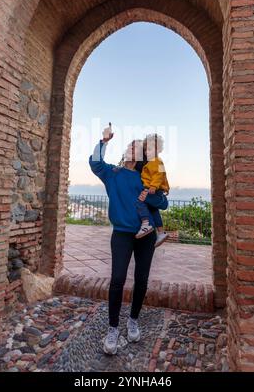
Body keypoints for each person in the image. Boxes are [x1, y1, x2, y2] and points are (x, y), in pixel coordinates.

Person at [89, 126, 168, 355]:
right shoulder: (113, 173)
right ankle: (113, 328)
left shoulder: (147, 177)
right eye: (131, 145)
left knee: (141, 280)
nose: (134, 148)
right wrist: (103, 141)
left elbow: (163, 204)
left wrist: (150, 195)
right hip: (122, 234)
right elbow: (95, 163)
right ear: (126, 151)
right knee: (117, 279)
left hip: (147, 235)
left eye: (139, 147)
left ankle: (133, 319)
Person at [135, 133, 170, 247]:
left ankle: (146, 224)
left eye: (149, 149)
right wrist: (166, 187)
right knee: (154, 210)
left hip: (152, 189)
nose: (146, 152)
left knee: (140, 201)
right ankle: (160, 232)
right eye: (145, 150)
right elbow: (163, 175)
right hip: (156, 189)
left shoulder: (156, 161)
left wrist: (154, 186)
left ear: (158, 149)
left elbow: (159, 175)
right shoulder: (157, 162)